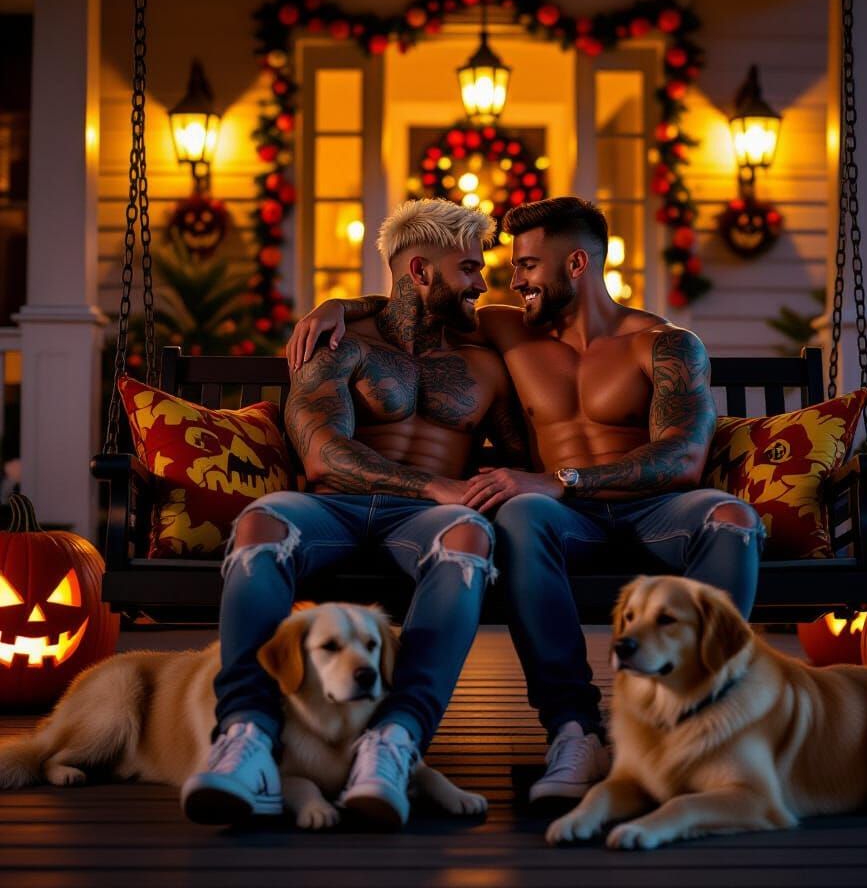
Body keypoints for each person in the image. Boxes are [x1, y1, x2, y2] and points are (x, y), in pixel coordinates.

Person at [287, 196, 764, 806]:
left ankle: (691, 724)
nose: (511, 281)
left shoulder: (665, 344)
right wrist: (336, 307)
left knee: (733, 517)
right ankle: (574, 728)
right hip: (563, 519)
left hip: (652, 506)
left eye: (527, 266)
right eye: (510, 268)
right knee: (519, 512)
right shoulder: (504, 328)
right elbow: (416, 294)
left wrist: (562, 480)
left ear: (576, 266)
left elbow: (683, 460)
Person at [182, 198, 529, 828]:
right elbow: (322, 456)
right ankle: (248, 737)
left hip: (421, 523)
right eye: (470, 268)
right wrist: (435, 485)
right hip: (334, 509)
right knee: (262, 522)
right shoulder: (339, 344)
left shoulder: (486, 359)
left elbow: (515, 458)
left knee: (470, 536)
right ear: (421, 271)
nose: (483, 281)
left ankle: (394, 742)